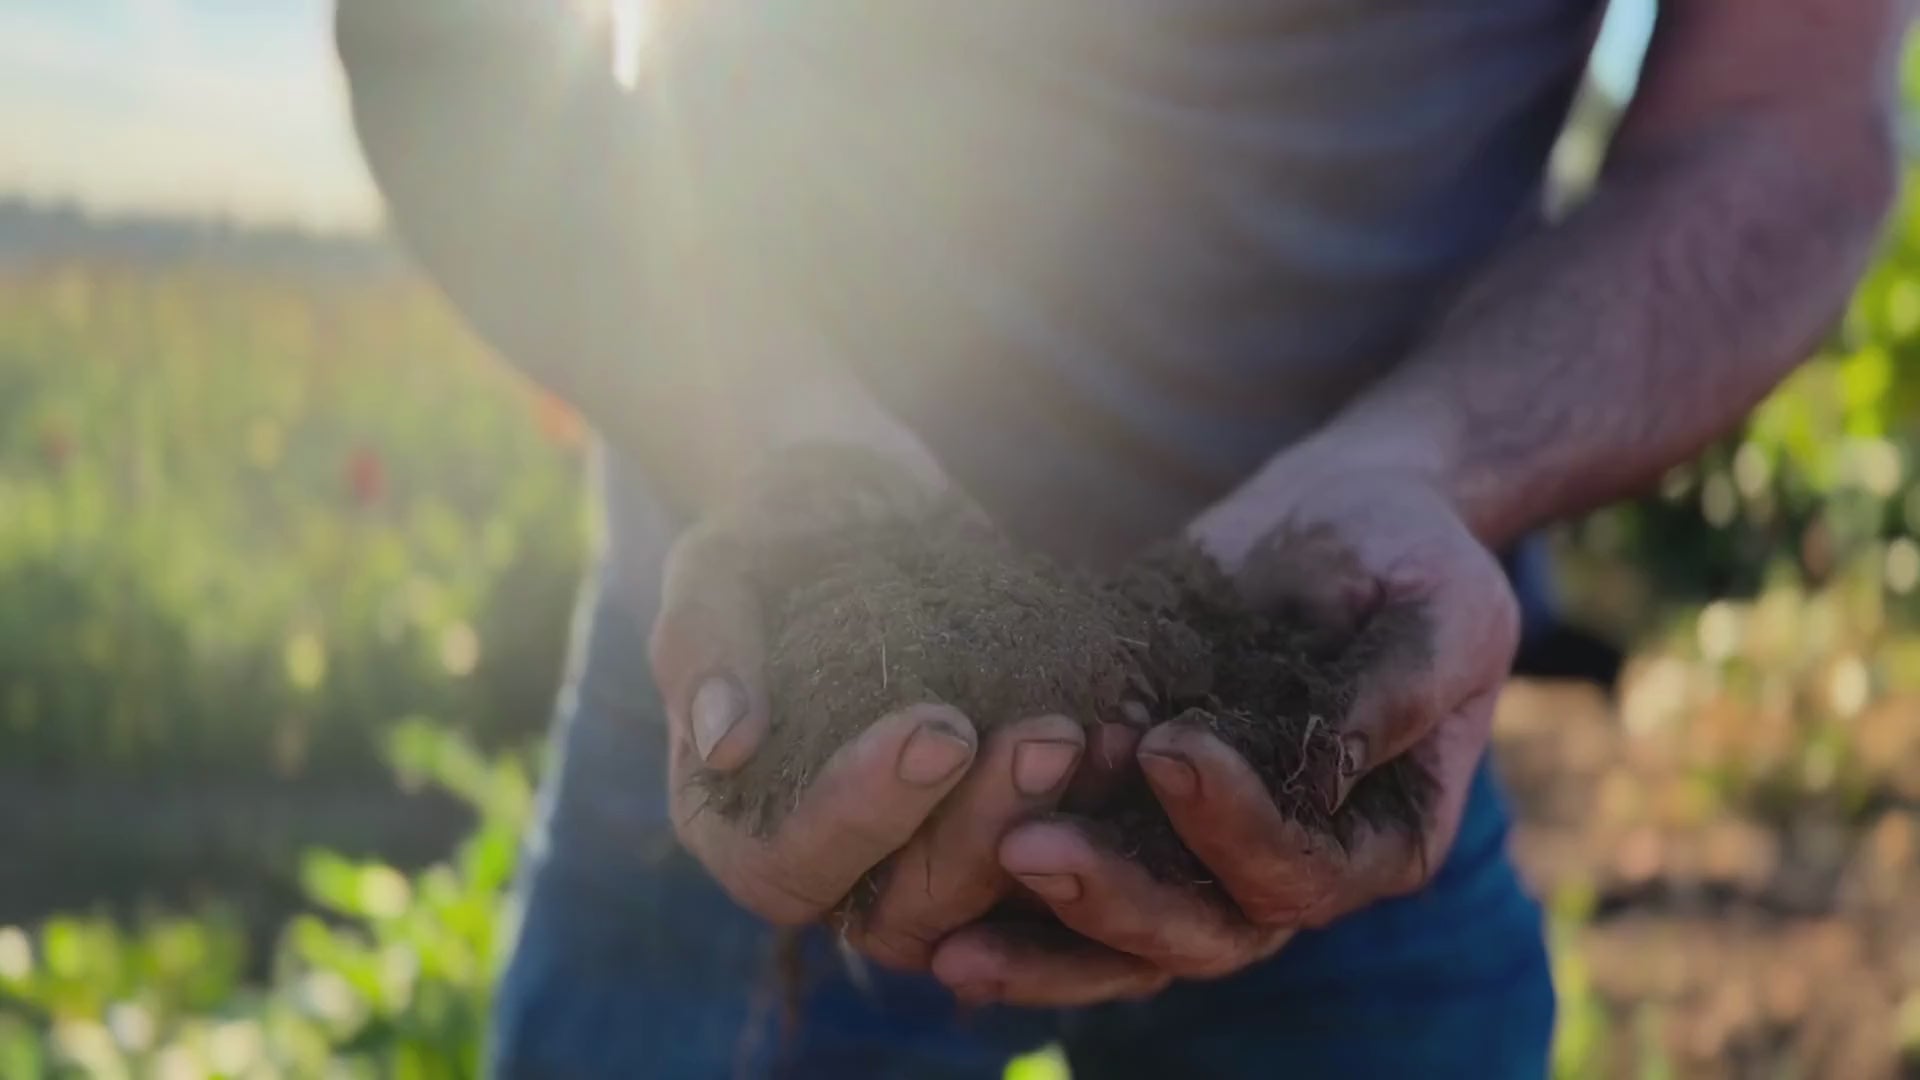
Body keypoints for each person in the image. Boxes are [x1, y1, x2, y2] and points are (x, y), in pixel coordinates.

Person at [335, 1, 1907, 1076]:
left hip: (1337, 683)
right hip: (767, 643)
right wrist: (767, 437)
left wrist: (1433, 463)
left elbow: (1778, 122)